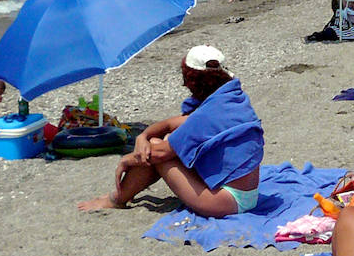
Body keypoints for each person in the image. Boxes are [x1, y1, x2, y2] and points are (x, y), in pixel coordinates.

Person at [78, 46, 263, 216]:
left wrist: (126, 160)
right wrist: (143, 135)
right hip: (247, 195)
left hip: (225, 202)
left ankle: (116, 199)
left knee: (157, 149)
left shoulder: (207, 116)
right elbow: (170, 124)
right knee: (162, 140)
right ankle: (122, 195)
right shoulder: (230, 99)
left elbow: (158, 154)